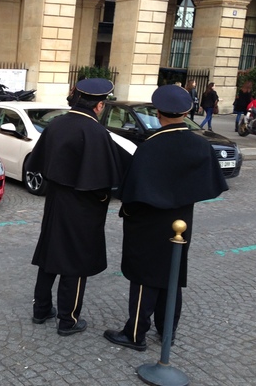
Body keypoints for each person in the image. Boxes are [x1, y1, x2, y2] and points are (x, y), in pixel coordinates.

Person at [103, 84, 228, 352]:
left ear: (158, 113)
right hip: (182, 221)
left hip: (149, 223)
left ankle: (135, 333)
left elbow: (132, 192)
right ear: (186, 112)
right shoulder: (199, 143)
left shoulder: (151, 145)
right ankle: (167, 329)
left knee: (144, 276)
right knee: (173, 272)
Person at [26, 78, 128, 336]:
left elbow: (36, 163)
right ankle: (68, 319)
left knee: (50, 254)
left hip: (55, 201)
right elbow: (105, 179)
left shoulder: (56, 124)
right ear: (99, 105)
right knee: (76, 260)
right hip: (82, 205)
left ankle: (41, 309)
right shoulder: (96, 132)